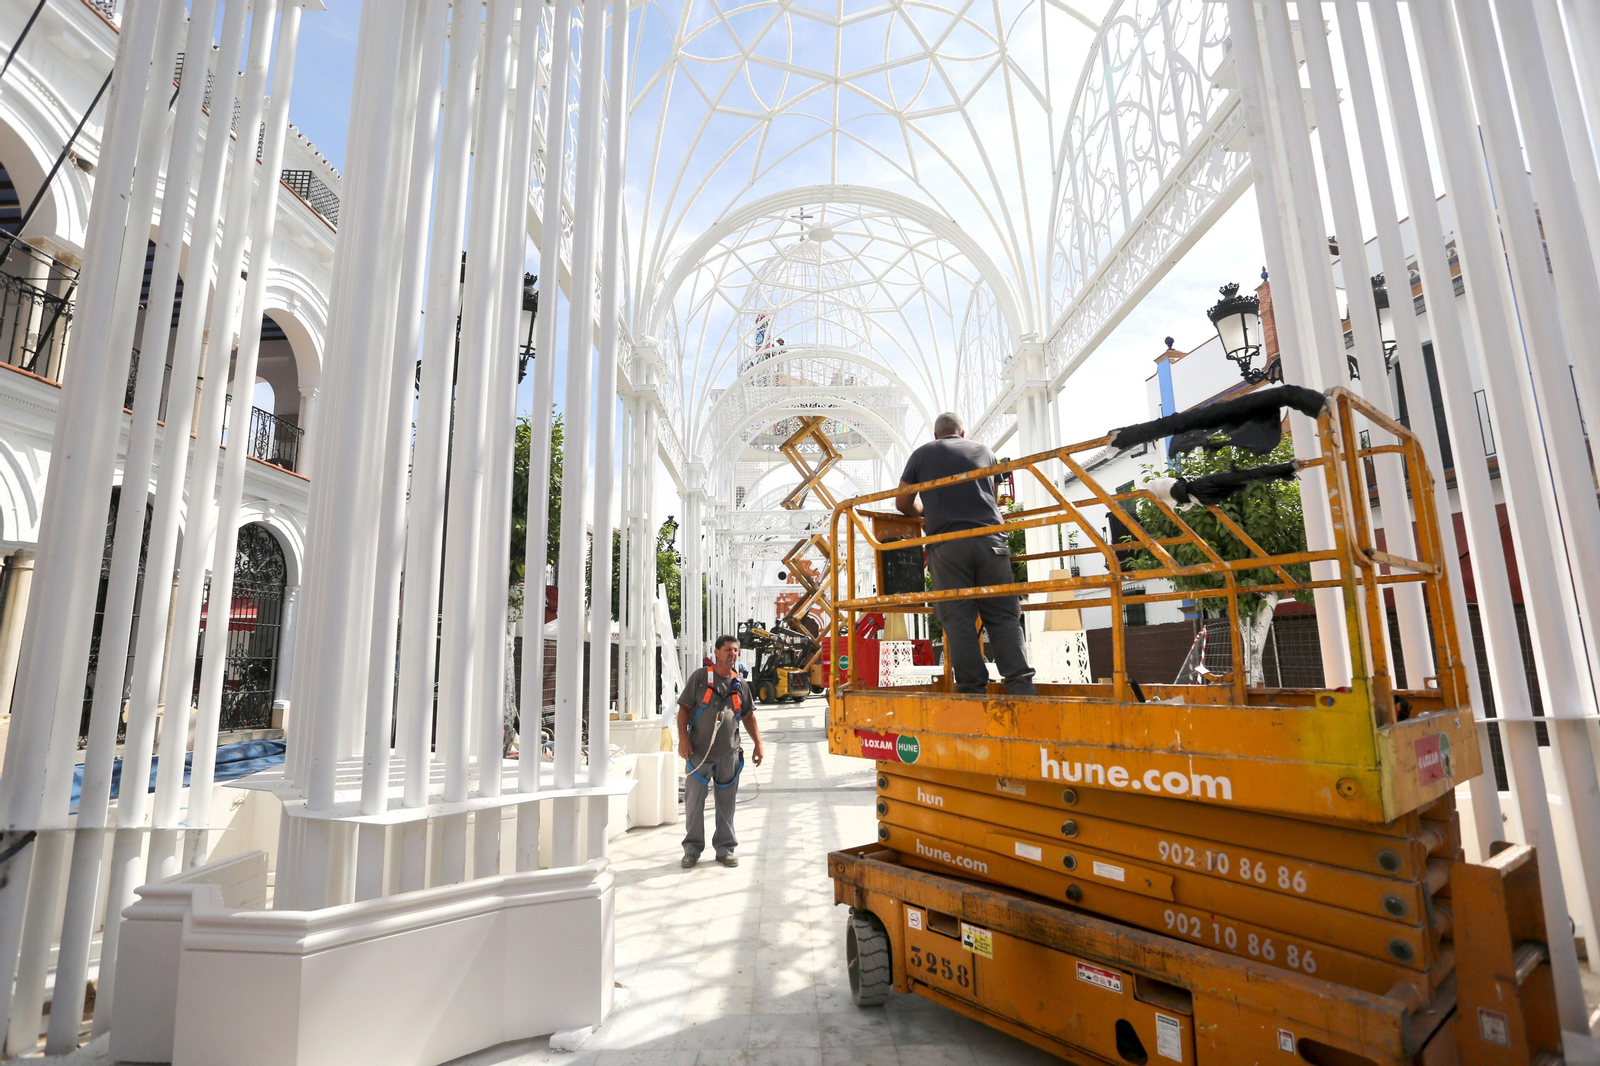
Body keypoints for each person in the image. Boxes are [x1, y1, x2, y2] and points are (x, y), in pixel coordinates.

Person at [896, 411, 1037, 696]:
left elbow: (902, 504)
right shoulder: (985, 450)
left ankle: (972, 690)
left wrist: (924, 513)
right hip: (991, 542)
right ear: (962, 433)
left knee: (958, 618)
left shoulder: (922, 454)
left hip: (948, 546)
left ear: (936, 436)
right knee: (1003, 617)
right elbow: (994, 498)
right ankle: (1021, 686)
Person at [678, 634, 765, 867]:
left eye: (735, 650)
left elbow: (748, 716)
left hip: (729, 754)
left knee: (726, 803)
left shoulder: (741, 685)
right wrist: (683, 740)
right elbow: (684, 710)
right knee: (694, 802)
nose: (732, 654)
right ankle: (692, 849)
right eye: (728, 649)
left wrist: (758, 743)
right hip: (699, 753)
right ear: (716, 652)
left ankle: (725, 848)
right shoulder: (699, 678)